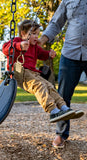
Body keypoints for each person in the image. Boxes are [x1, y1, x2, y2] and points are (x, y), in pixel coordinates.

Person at [2, 19, 83, 124]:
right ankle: (53, 111)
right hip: (19, 72)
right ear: (23, 33)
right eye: (34, 34)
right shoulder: (17, 40)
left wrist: (49, 54)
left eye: (38, 34)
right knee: (39, 85)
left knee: (49, 87)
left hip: (32, 73)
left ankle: (63, 108)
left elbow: (42, 54)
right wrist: (19, 46)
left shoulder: (35, 47)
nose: (37, 37)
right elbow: (5, 49)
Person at [39, 0, 86, 148]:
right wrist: (41, 40)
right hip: (70, 53)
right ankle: (61, 134)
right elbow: (56, 23)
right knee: (63, 96)